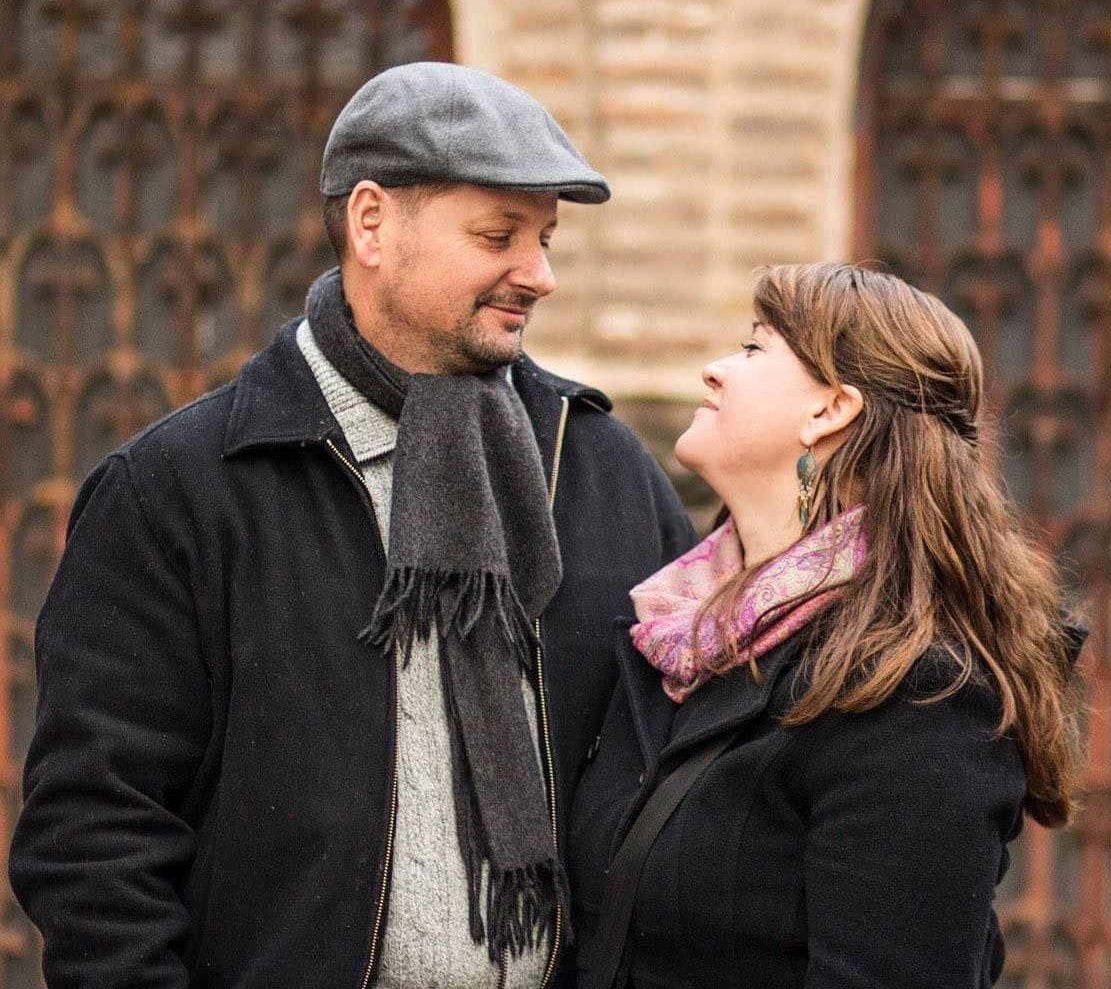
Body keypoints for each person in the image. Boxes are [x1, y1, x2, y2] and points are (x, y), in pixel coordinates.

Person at [9, 62, 696, 989]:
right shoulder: (177, 491)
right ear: (371, 223)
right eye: (498, 235)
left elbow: (688, 786)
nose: (539, 274)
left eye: (545, 238)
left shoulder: (599, 467)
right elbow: (95, 839)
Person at [568, 262, 1085, 989]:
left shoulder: (916, 698)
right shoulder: (676, 638)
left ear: (830, 411)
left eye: (754, 349)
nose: (716, 370)